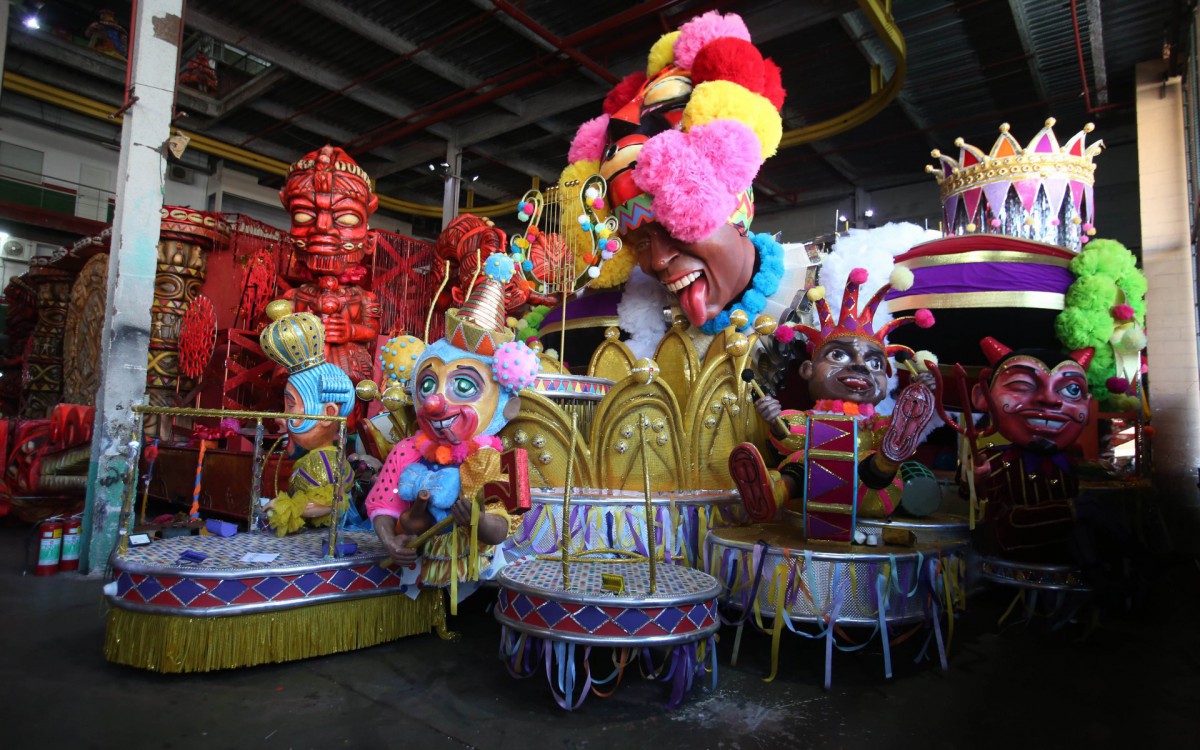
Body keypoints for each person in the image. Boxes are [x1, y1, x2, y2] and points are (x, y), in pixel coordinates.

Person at [556, 11, 814, 355]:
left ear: (739, 214)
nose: (658, 262)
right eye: (641, 241)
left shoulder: (830, 301)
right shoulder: (626, 326)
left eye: (676, 228)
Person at [365, 255, 539, 589]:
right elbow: (383, 502)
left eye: (463, 387)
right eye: (428, 385)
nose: (434, 401)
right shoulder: (407, 450)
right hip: (416, 571)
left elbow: (502, 526)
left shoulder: (498, 460)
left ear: (507, 407)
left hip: (478, 576)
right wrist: (390, 541)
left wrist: (479, 520)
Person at [728, 267, 938, 543]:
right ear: (806, 370)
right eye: (839, 355)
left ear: (887, 378)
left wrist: (916, 405)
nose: (860, 366)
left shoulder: (874, 424)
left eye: (875, 363)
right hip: (812, 490)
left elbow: (881, 433)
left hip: (867, 492)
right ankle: (774, 494)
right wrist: (775, 422)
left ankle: (889, 456)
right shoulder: (810, 419)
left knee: (874, 463)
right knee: (801, 462)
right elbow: (791, 438)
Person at [968, 337, 1096, 561]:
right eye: (1022, 385)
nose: (1049, 399)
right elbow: (977, 496)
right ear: (982, 398)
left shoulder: (1077, 462)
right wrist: (976, 478)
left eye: (1073, 390)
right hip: (1011, 566)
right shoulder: (995, 458)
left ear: (1088, 405)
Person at [279, 145, 382, 384]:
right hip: (301, 370)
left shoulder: (364, 298)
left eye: (346, 218)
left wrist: (349, 331)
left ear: (369, 242)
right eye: (304, 216)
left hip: (348, 370)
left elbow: (372, 330)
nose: (322, 228)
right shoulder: (294, 296)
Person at [257, 301, 356, 536]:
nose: (282, 418)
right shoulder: (320, 456)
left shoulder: (322, 459)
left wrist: (286, 507)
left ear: (328, 414)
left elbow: (331, 501)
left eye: (290, 406)